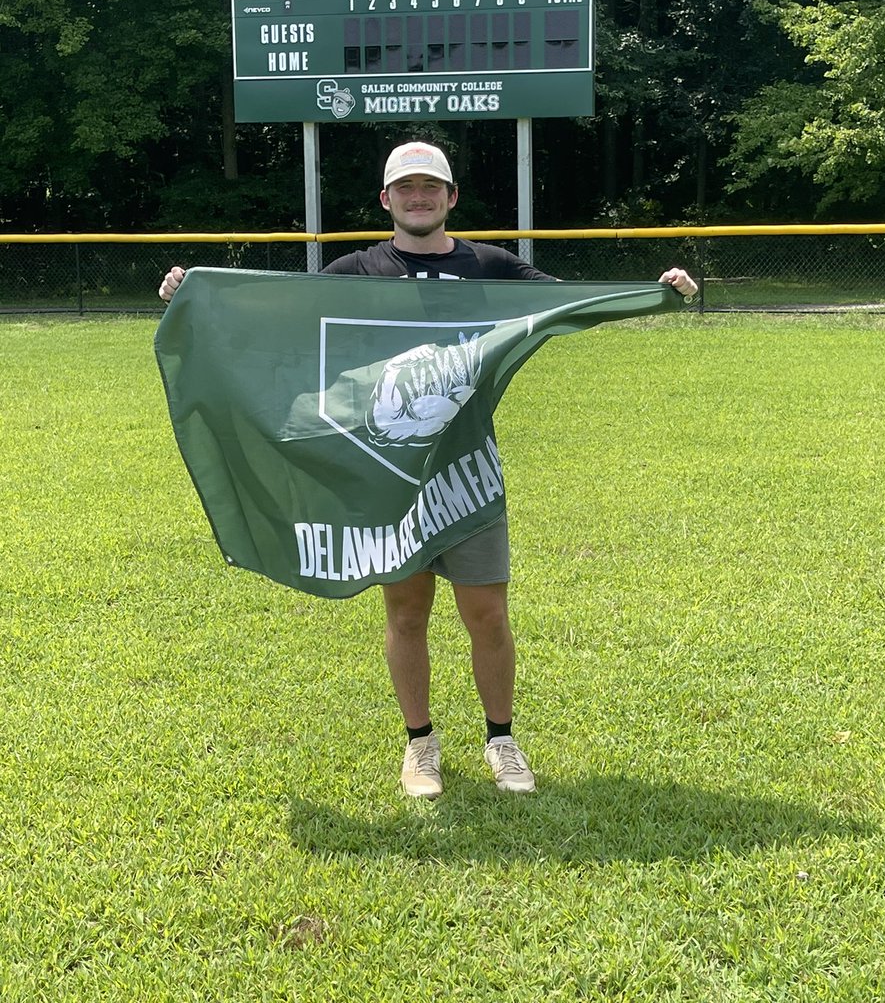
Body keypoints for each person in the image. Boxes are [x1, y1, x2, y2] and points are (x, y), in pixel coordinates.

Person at [159, 141, 697, 800]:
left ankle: (501, 740)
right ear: (385, 200)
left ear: (451, 198)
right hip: (388, 475)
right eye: (405, 188)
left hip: (467, 471)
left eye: (431, 187)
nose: (419, 197)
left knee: (488, 615)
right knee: (406, 613)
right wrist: (195, 294)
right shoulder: (354, 271)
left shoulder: (489, 268)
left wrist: (657, 292)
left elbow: (572, 306)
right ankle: (421, 747)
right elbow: (274, 320)